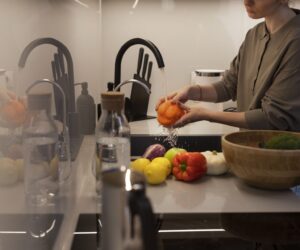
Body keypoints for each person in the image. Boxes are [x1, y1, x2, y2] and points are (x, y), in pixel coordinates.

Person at [157, 0, 300, 131]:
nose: (246, 1)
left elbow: (274, 118)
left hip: (284, 156)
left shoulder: (295, 41)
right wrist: (192, 91)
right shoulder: (254, 34)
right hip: (250, 150)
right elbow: (229, 85)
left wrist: (206, 115)